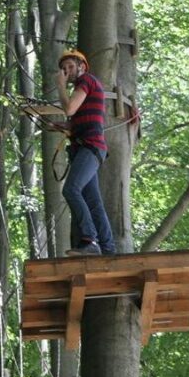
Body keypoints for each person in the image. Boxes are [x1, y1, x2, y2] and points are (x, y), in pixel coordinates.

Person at [54, 49, 115, 256]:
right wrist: (61, 125)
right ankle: (107, 248)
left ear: (81, 66)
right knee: (93, 202)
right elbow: (77, 119)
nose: (67, 71)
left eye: (70, 66)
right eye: (64, 69)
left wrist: (60, 86)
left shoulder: (86, 81)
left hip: (90, 147)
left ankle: (90, 240)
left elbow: (69, 108)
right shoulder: (85, 88)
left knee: (70, 190)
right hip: (87, 148)